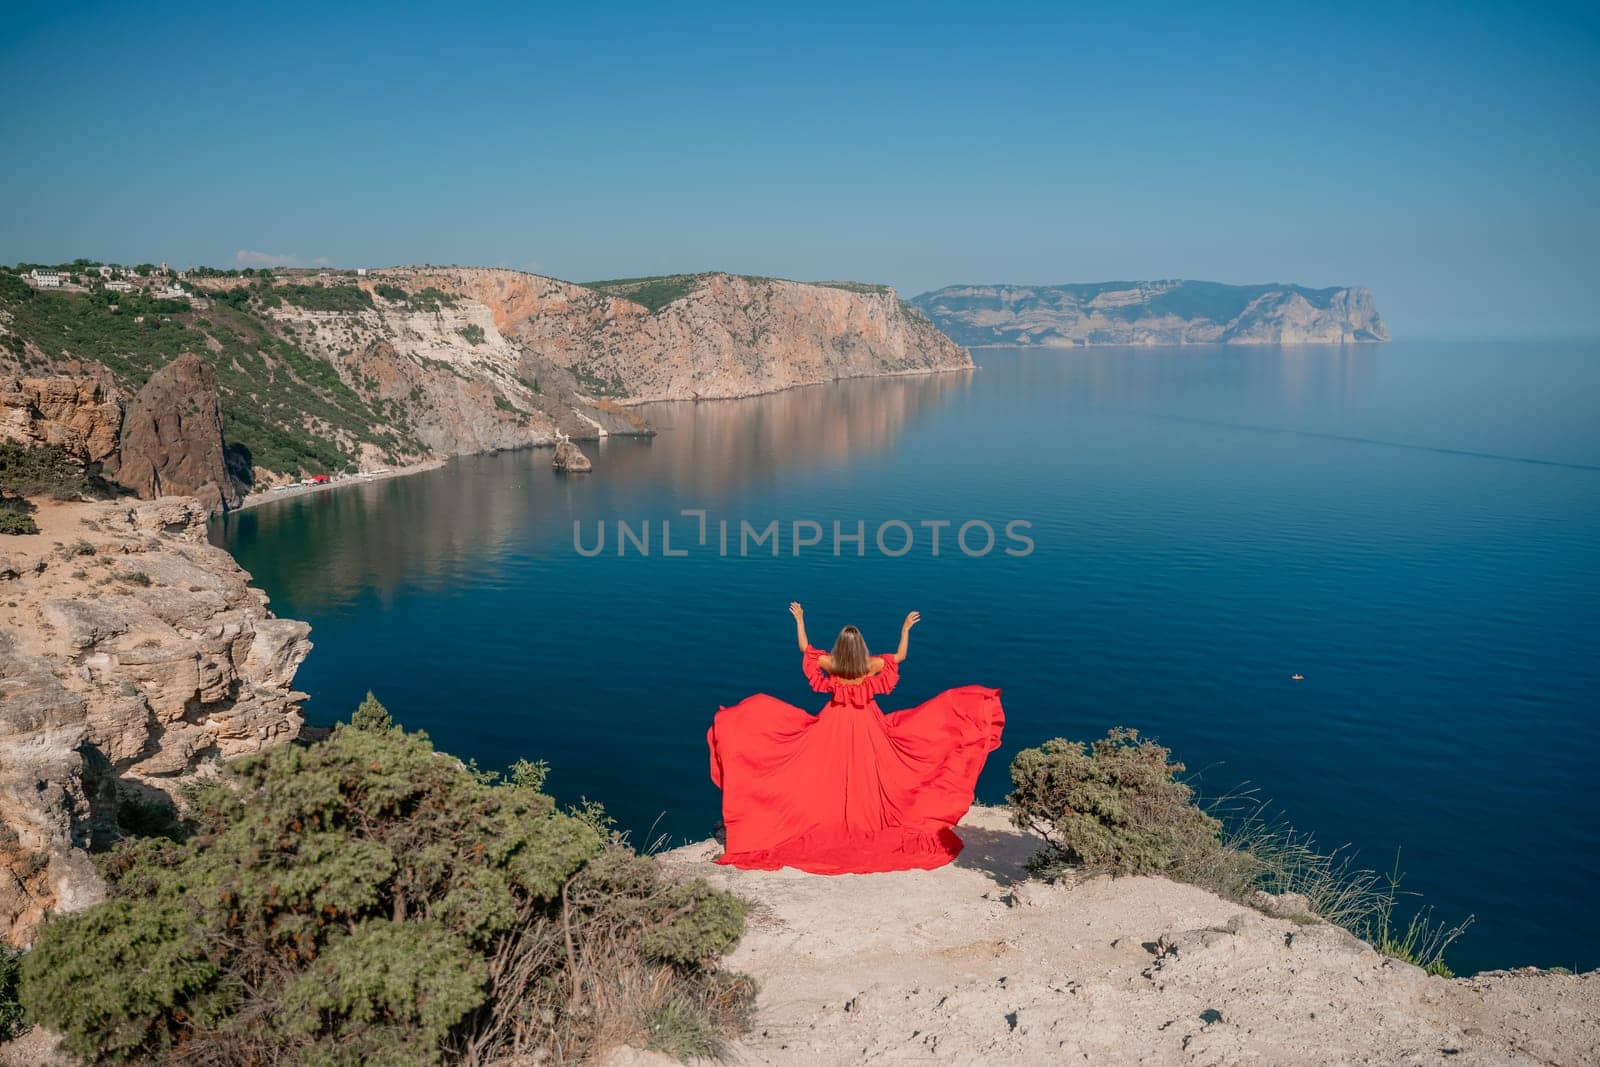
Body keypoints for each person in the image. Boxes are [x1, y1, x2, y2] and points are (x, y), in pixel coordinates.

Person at [706, 602, 1004, 874]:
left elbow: (804, 648)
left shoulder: (831, 664)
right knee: (873, 771)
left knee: (823, 769)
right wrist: (905, 628)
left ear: (840, 646)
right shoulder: (871, 665)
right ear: (861, 647)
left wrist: (799, 619)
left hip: (832, 724)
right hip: (867, 725)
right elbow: (900, 656)